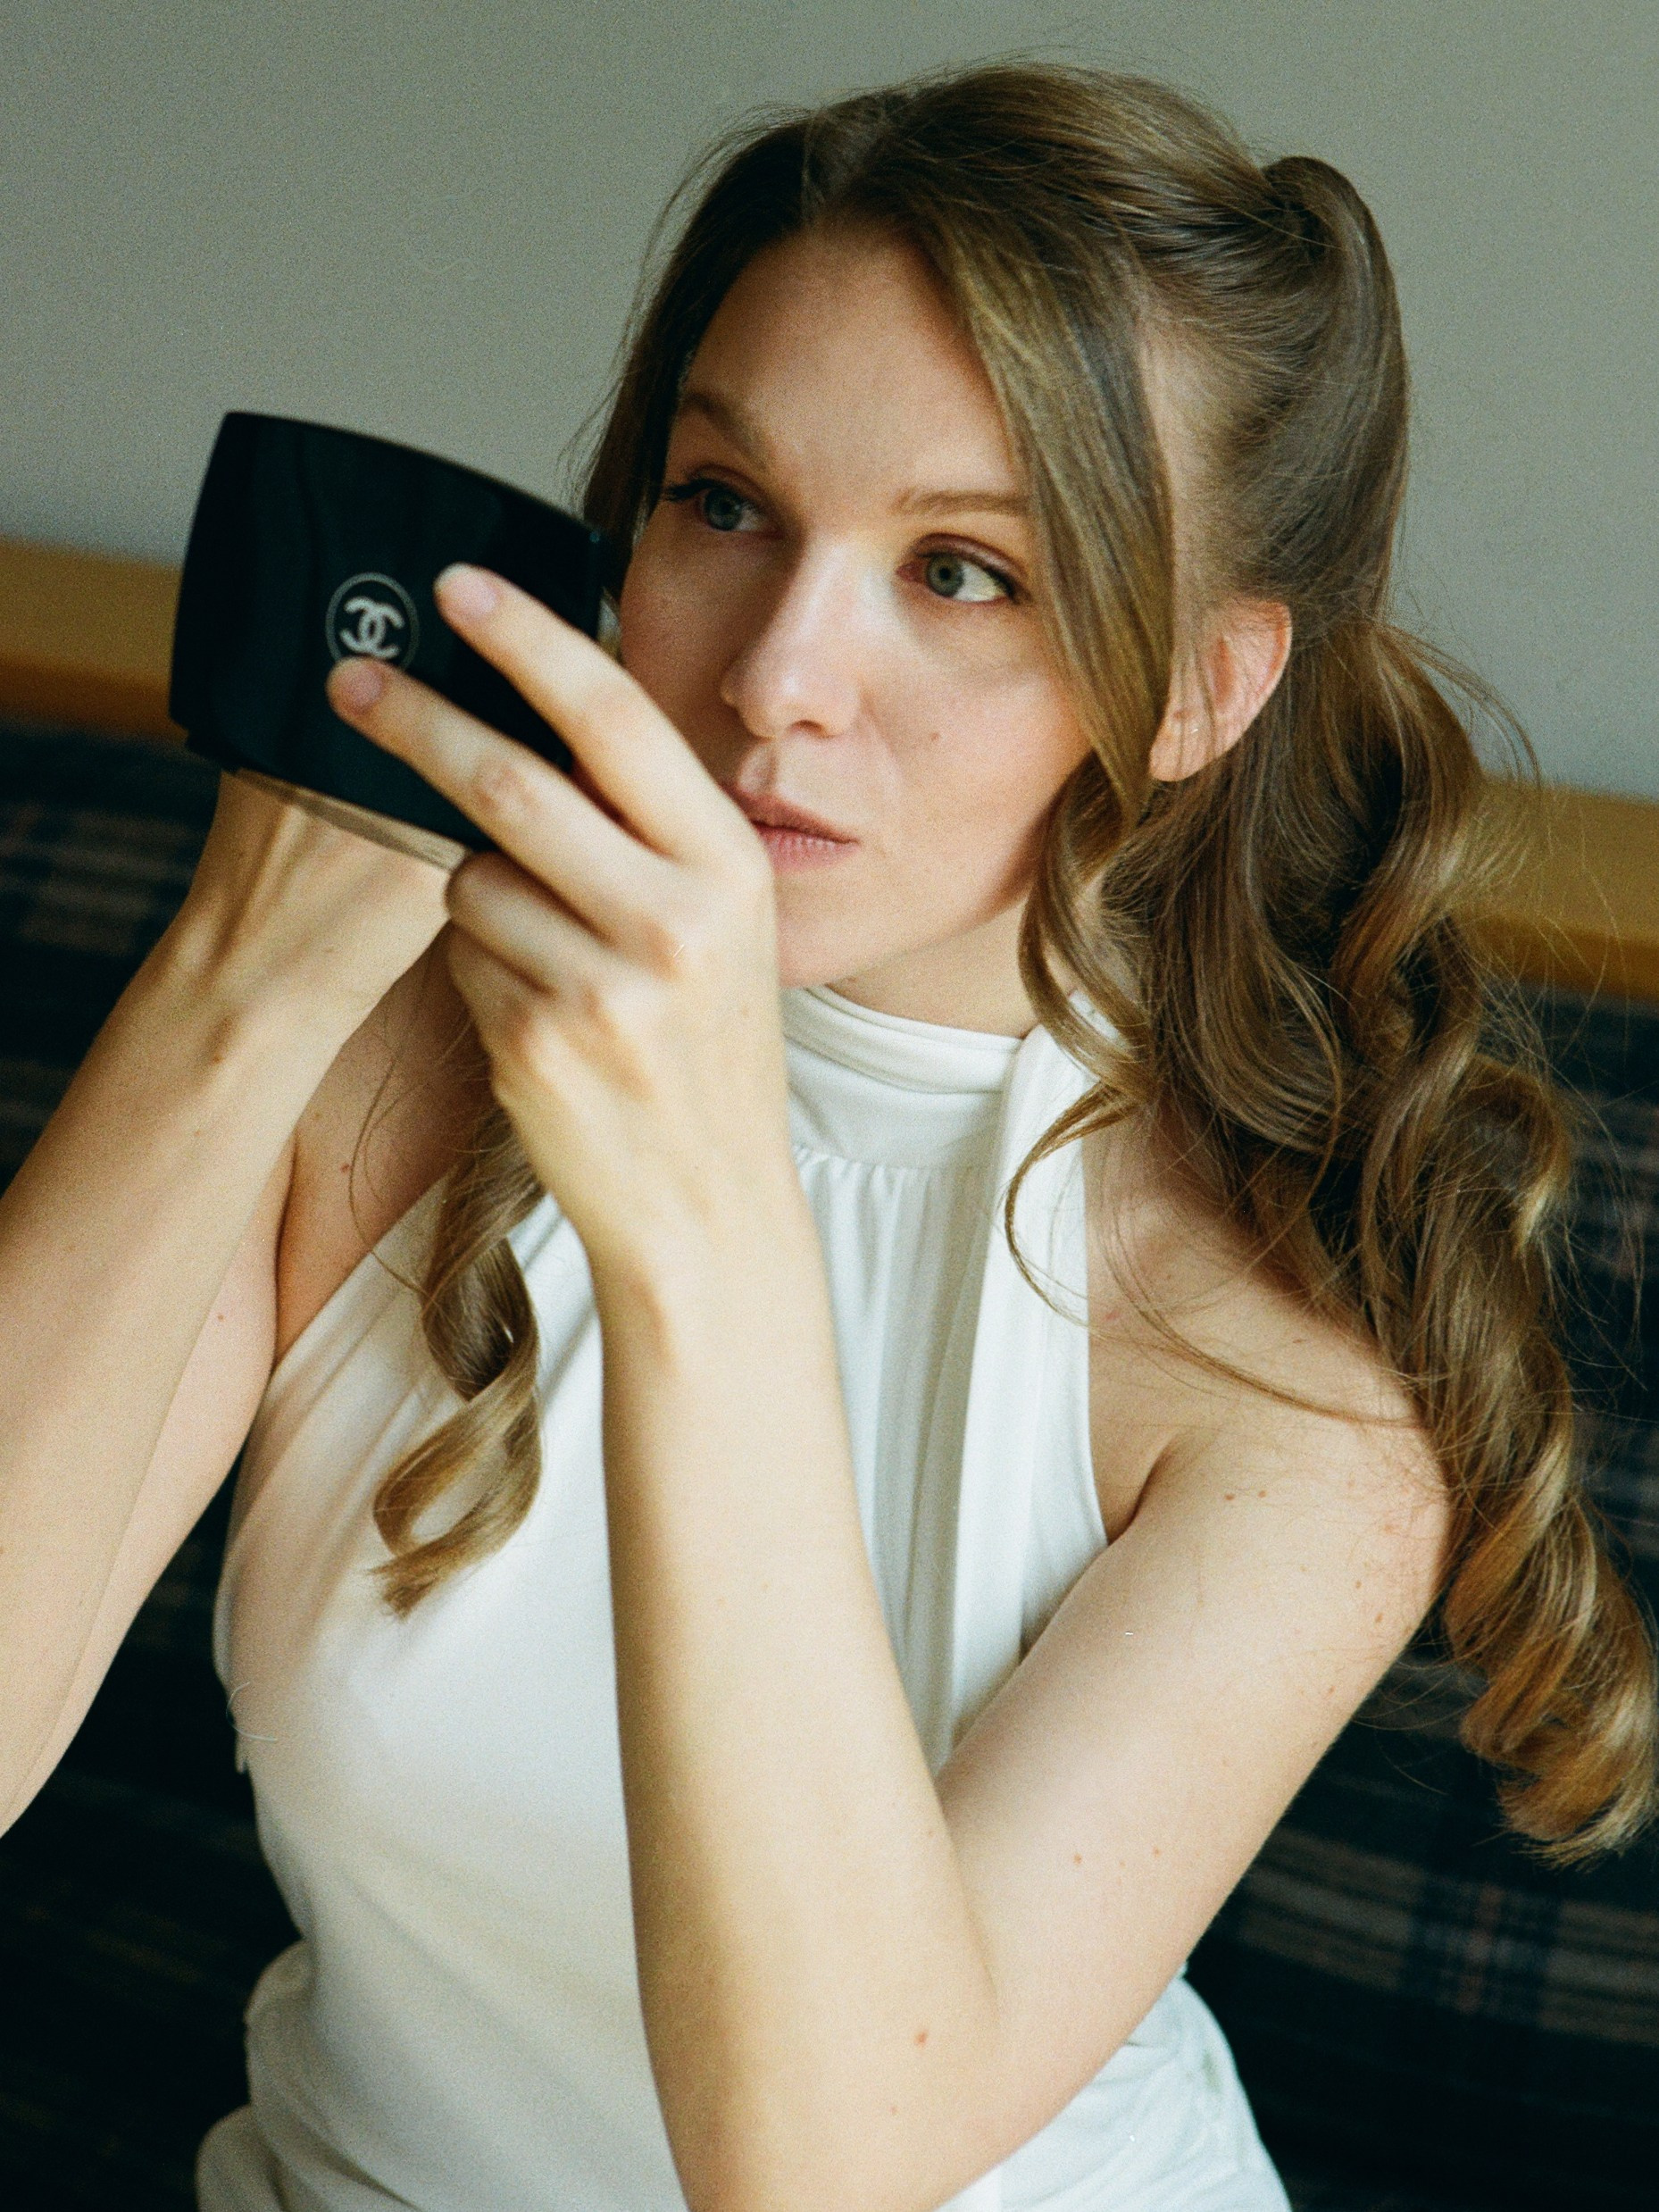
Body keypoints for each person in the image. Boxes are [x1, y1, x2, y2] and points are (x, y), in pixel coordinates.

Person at [1, 60, 1653, 2212]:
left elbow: (813, 2167)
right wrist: (237, 987)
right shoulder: (397, 1051)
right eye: (722, 503)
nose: (777, 672)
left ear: (1194, 691)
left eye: (960, 571)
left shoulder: (1278, 1382)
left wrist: (700, 1213)